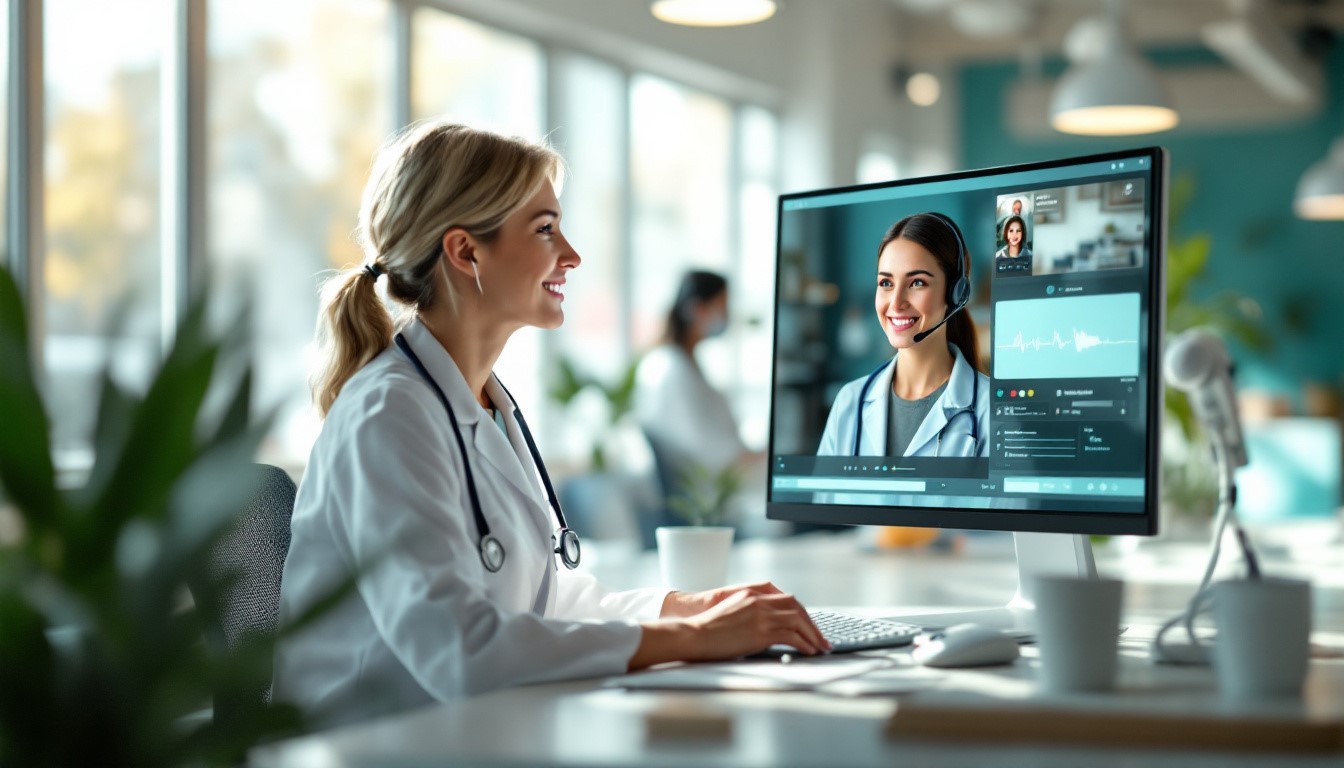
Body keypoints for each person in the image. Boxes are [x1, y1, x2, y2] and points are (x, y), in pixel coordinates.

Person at [272, 122, 828, 728]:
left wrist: (691, 607)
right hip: (375, 744)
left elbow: (550, 602)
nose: (572, 255)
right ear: (465, 252)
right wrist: (692, 637)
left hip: (472, 728)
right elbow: (460, 648)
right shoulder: (387, 415)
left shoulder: (486, 402)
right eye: (545, 230)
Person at [816, 212, 990, 458]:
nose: (896, 303)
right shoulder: (849, 403)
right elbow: (822, 497)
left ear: (955, 294)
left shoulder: (992, 412)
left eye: (917, 283)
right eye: (886, 284)